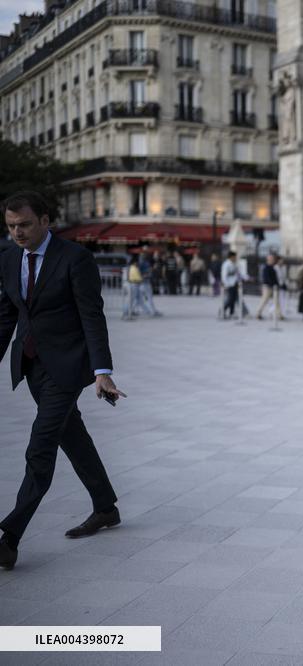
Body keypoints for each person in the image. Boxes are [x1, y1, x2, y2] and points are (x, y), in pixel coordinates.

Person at [0, 191, 127, 570]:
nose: (17, 233)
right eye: (10, 227)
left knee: (41, 446)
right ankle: (105, 507)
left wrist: (101, 371)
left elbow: (92, 316)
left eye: (23, 225)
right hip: (31, 365)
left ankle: (10, 538)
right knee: (72, 435)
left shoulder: (76, 258)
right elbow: (8, 316)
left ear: (45, 220)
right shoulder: (8, 259)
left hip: (68, 367)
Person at [256, 253, 282, 320]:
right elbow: (267, 278)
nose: (273, 260)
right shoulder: (266, 268)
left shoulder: (272, 267)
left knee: (276, 301)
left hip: (274, 287)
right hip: (268, 287)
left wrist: (277, 285)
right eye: (271, 259)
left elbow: (275, 278)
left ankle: (279, 315)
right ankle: (258, 313)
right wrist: (273, 284)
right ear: (268, 260)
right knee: (264, 301)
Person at [220, 251, 242, 319]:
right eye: (235, 257)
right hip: (229, 284)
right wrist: (226, 284)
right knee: (230, 299)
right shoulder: (226, 264)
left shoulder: (234, 264)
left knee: (233, 299)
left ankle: (231, 313)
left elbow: (237, 273)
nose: (235, 258)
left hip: (234, 283)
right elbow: (224, 275)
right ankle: (222, 311)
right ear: (231, 257)